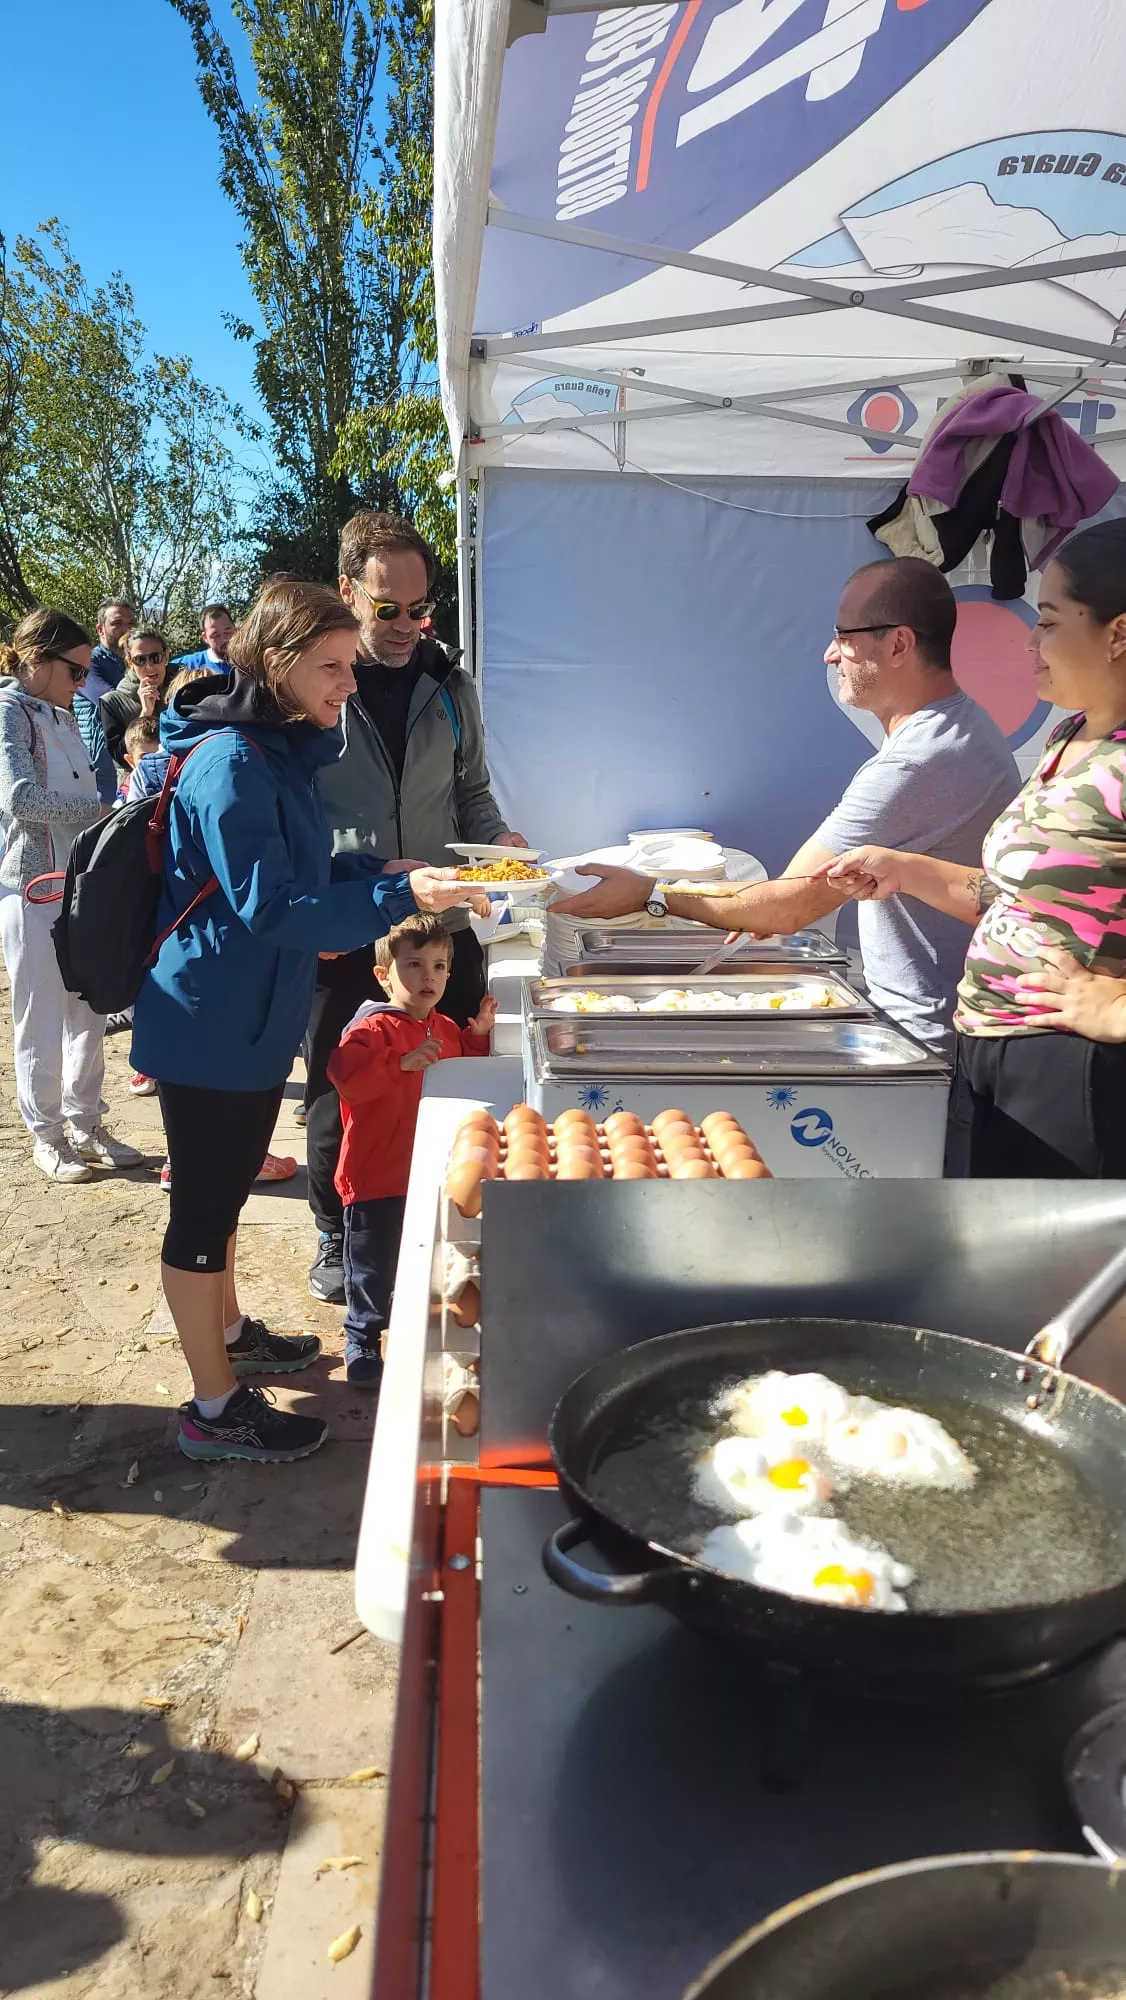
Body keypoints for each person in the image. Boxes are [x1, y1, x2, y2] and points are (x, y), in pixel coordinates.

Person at [129, 577, 490, 1465]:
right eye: (332, 667)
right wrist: (396, 892)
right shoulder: (234, 763)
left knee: (226, 1193)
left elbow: (302, 864)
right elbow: (273, 907)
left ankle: (234, 1331)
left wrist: (377, 863)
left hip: (250, 1016)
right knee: (203, 1207)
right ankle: (213, 1408)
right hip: (209, 1020)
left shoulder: (276, 750)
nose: (348, 684)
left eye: (350, 666)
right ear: (279, 663)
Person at [552, 558, 1019, 1060]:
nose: (829, 655)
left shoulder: (920, 759)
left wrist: (651, 895)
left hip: (928, 1041)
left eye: (844, 636)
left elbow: (787, 903)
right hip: (939, 1027)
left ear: (899, 644)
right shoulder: (956, 729)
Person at [820, 520, 1126, 1178]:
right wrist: (907, 871)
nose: (1030, 643)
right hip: (992, 1054)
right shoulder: (1068, 739)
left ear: (1118, 634)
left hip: (1076, 1077)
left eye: (1048, 621)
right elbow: (1019, 899)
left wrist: (1117, 1010)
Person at [304, 509, 528, 1306]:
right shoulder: (321, 684)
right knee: (345, 1087)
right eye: (385, 608)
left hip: (443, 924)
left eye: (419, 609)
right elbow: (295, 814)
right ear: (347, 592)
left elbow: (469, 791)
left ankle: (444, 1215)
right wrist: (350, 880)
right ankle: (337, 1229)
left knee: (451, 1072)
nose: (404, 627)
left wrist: (497, 845)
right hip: (352, 926)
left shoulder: (449, 684)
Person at [0, 608, 144, 1183]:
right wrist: (100, 814)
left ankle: (86, 1120)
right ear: (37, 658)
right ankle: (47, 1133)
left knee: (88, 1004)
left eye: (86, 672)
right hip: (32, 885)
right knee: (39, 1013)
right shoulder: (8, 711)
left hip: (78, 885)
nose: (82, 683)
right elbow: (18, 797)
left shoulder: (60, 713)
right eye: (75, 670)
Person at [328, 914, 497, 1386]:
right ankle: (362, 1339)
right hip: (376, 1175)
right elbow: (346, 1078)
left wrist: (478, 1036)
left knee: (424, 1258)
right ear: (384, 974)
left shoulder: (443, 1026)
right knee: (370, 1268)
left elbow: (461, 1072)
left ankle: (414, 1330)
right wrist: (397, 1063)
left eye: (440, 966)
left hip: (428, 1172)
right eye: (414, 965)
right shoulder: (370, 1029)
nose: (429, 977)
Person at [73, 596, 136, 805]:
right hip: (101, 772)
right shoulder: (89, 662)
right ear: (100, 629)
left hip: (130, 762)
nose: (126, 629)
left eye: (131, 623)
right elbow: (115, 702)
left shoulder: (134, 662)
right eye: (117, 623)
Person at [100, 627, 170, 772]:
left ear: (166, 657)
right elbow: (120, 757)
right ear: (130, 662)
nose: (149, 666)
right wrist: (145, 714)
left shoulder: (182, 689)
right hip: (138, 788)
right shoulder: (113, 702)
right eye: (140, 660)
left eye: (155, 658)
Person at [172, 603, 235, 670]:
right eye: (216, 635)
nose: (224, 639)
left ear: (236, 629)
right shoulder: (192, 665)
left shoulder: (246, 663)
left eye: (227, 632)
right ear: (205, 638)